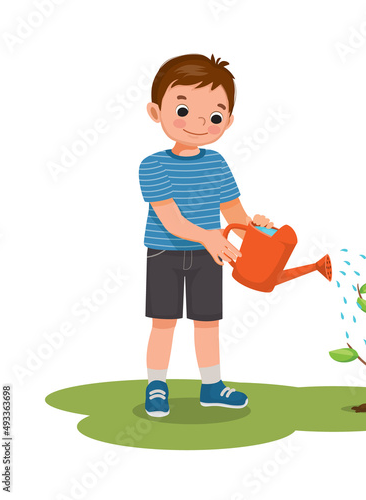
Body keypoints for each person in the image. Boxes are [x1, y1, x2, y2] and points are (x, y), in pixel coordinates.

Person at [139, 54, 274, 417]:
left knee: (207, 323)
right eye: (183, 111)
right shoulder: (152, 165)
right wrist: (211, 238)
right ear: (156, 112)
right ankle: (156, 386)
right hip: (165, 252)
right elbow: (171, 220)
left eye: (214, 116)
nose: (200, 123)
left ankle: (211, 387)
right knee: (164, 323)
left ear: (227, 121)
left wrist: (255, 229)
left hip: (209, 255)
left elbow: (234, 215)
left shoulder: (217, 164)